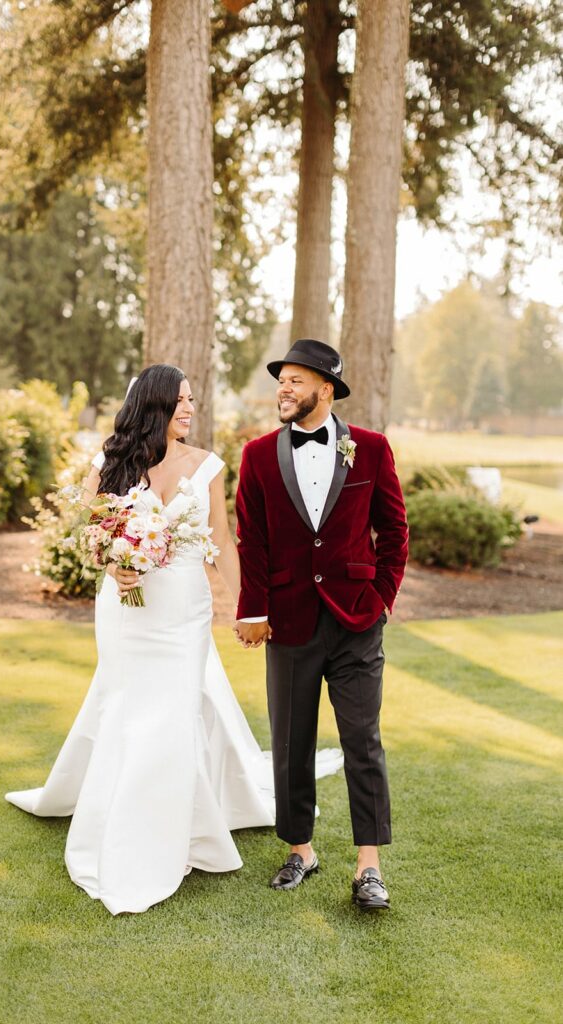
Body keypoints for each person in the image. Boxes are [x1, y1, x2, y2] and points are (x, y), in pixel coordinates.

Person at [6, 364, 341, 915]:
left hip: (182, 611)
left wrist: (248, 606)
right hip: (125, 611)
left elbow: (223, 542)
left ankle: (173, 826)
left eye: (192, 401)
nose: (190, 409)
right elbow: (88, 536)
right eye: (182, 401)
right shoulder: (109, 463)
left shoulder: (207, 465)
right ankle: (124, 813)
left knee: (173, 711)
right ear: (156, 405)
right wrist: (113, 565)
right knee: (127, 705)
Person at [234, 339, 408, 910]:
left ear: (326, 389)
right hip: (289, 622)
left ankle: (368, 868)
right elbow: (251, 540)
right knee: (291, 742)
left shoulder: (373, 449)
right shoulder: (257, 456)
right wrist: (253, 609)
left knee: (363, 739)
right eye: (280, 380)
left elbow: (394, 531)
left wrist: (382, 598)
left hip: (358, 619)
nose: (283, 389)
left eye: (295, 380)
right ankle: (301, 849)